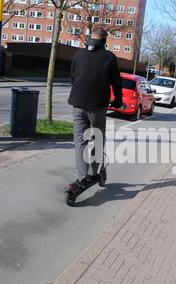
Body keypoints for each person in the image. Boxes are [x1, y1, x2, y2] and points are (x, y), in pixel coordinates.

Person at [68, 28, 123, 189]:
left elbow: (73, 76)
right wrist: (118, 100)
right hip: (97, 107)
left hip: (77, 104)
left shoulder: (78, 54)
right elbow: (116, 82)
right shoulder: (109, 57)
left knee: (80, 141)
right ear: (104, 41)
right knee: (98, 138)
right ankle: (94, 172)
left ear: (89, 39)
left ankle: (82, 175)